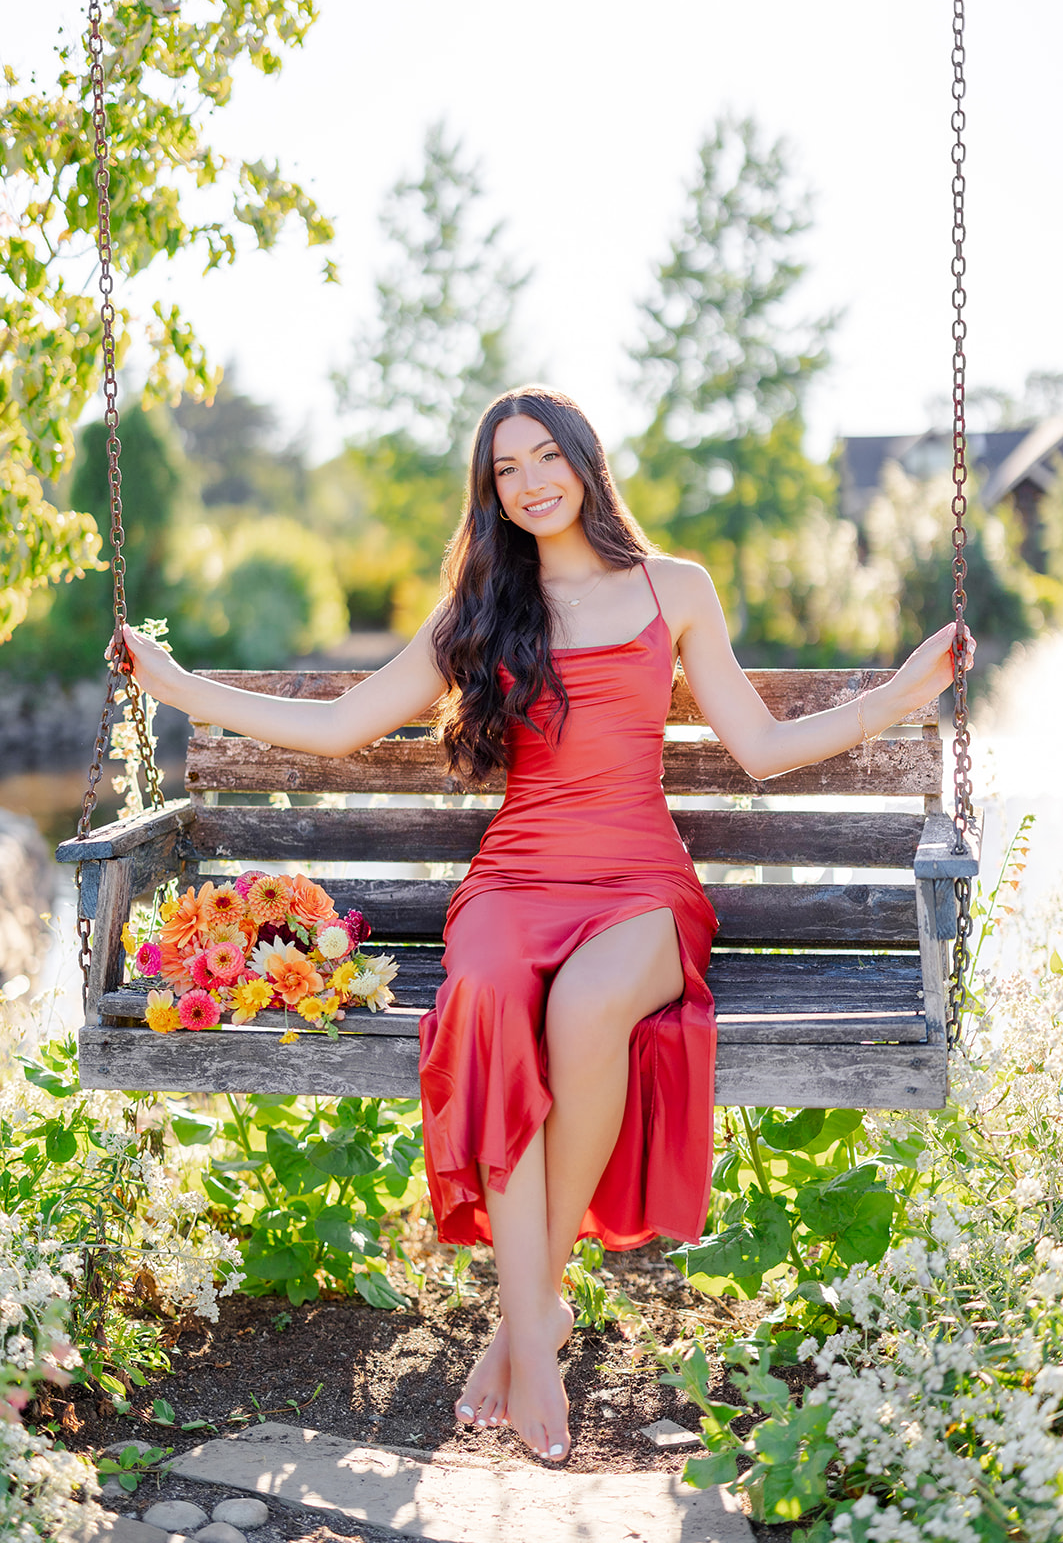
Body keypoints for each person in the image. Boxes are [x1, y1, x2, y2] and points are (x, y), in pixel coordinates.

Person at [116, 384, 975, 1465]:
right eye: (502, 470)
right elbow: (337, 727)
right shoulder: (481, 607)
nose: (526, 483)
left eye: (541, 458)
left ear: (581, 458)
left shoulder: (674, 588)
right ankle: (537, 1323)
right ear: (489, 492)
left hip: (640, 886)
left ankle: (525, 1319)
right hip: (514, 880)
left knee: (583, 1009)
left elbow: (757, 746)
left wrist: (904, 690)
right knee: (476, 1002)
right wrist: (184, 686)